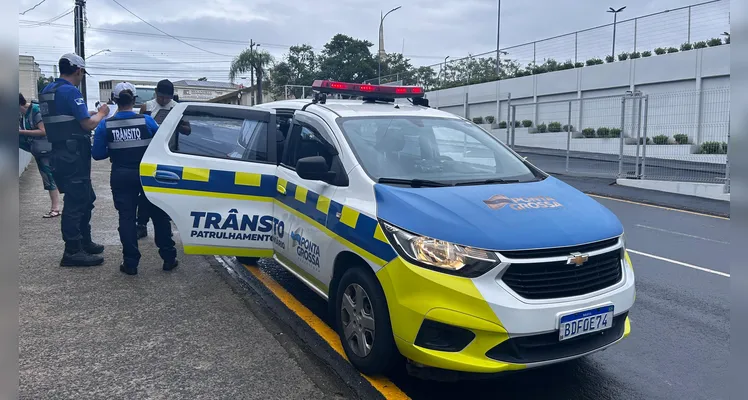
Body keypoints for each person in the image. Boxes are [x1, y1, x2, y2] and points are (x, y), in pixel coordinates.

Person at [92, 82, 178, 275]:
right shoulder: (147, 121)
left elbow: (97, 154)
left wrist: (115, 148)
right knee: (159, 215)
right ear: (134, 99)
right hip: (147, 175)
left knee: (127, 218)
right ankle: (169, 258)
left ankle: (130, 264)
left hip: (121, 175)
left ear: (114, 100)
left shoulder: (106, 124)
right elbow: (162, 146)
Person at [39, 53, 109, 267]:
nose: (81, 77)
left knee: (85, 197)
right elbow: (88, 124)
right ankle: (72, 251)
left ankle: (84, 242)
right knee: (76, 202)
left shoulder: (48, 91)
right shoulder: (70, 91)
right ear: (78, 71)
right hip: (74, 153)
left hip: (60, 152)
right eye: (82, 74)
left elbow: (67, 117)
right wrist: (102, 113)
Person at [135, 79, 190, 239]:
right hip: (149, 154)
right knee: (145, 192)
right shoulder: (148, 106)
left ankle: (165, 226)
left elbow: (188, 130)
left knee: (167, 192)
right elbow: (140, 128)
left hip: (170, 155)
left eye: (167, 98)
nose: (164, 101)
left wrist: (175, 124)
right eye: (161, 97)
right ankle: (141, 224)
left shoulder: (177, 108)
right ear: (156, 94)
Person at [19, 93, 61, 218]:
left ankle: (55, 208)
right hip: (38, 148)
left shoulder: (35, 110)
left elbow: (43, 131)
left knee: (49, 176)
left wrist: (21, 132)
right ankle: (55, 207)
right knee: (48, 176)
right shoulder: (23, 114)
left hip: (45, 148)